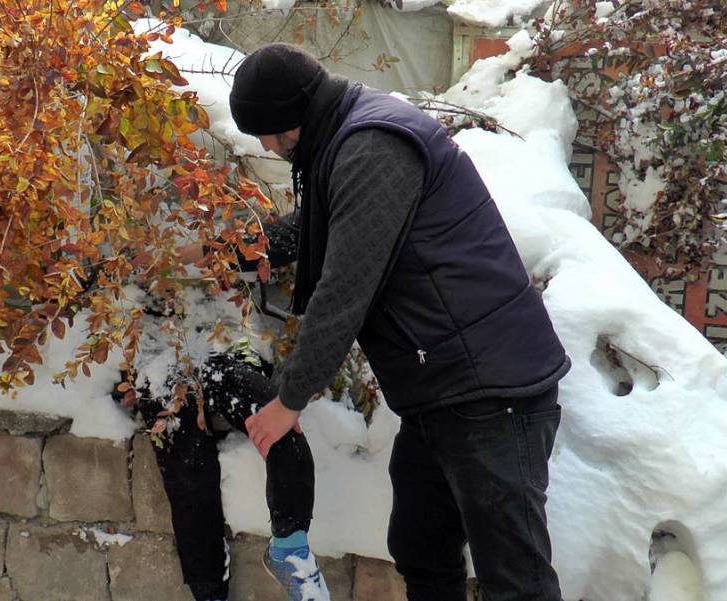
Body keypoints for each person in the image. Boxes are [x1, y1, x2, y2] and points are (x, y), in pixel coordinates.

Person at [229, 43, 571, 601]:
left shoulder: (372, 147)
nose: (268, 145)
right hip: (444, 388)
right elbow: (322, 225)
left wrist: (288, 400)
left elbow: (345, 288)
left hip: (490, 388)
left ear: (297, 110)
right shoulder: (345, 135)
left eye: (269, 131)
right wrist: (233, 246)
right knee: (422, 549)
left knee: (516, 579)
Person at [135, 225, 331, 601]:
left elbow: (287, 235)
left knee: (280, 424)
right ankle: (209, 592)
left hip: (225, 347)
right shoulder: (126, 201)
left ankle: (290, 551)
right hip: (158, 354)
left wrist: (209, 251)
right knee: (186, 466)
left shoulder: (230, 199)